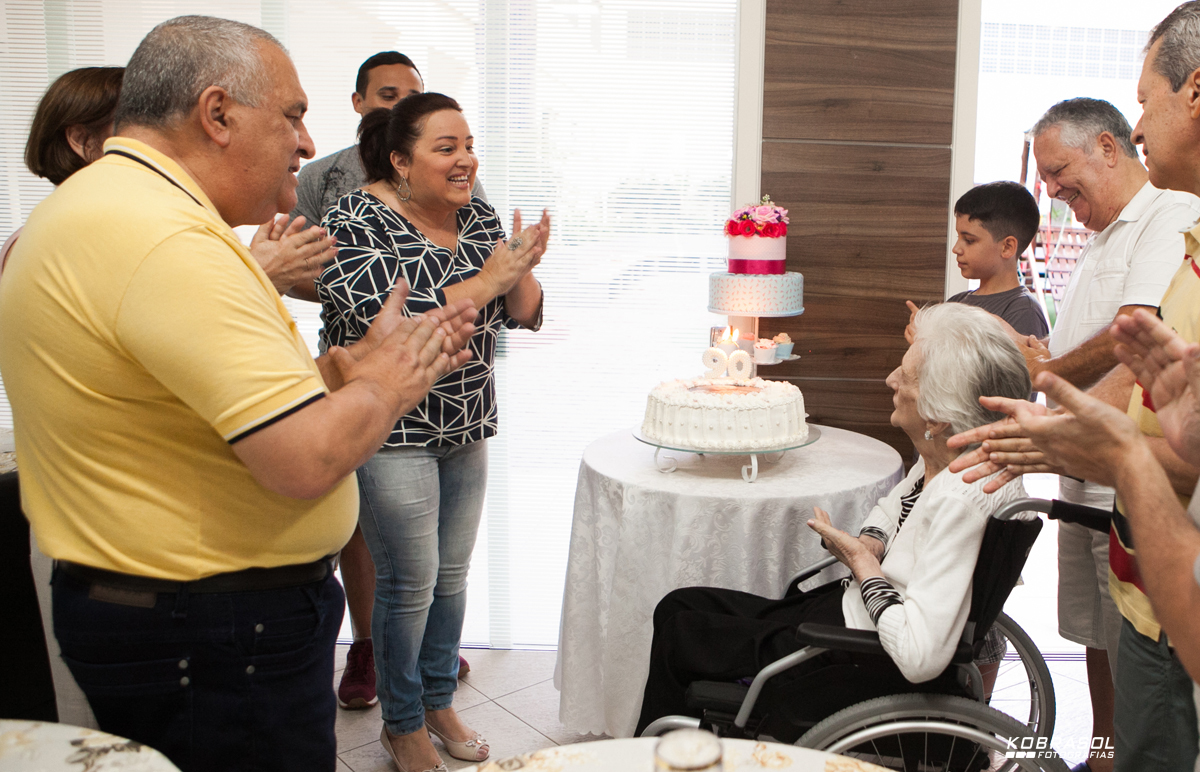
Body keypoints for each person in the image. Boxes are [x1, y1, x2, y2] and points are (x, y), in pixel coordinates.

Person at [0, 16, 478, 772]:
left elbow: (213, 409)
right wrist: (395, 377)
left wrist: (352, 364)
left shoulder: (115, 210)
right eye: (291, 114)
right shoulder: (162, 237)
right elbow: (304, 459)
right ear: (217, 114)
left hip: (185, 617)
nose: (307, 142)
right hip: (212, 630)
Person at [948, 13, 1200, 769]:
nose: (1051, 192)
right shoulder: (1096, 241)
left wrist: (1047, 380)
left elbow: (1132, 338)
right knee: (1098, 629)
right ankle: (1100, 750)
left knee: (1147, 668)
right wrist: (1047, 359)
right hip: (1099, 485)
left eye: (1059, 173)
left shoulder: (1170, 214)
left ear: (1108, 144)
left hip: (1144, 488)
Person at [634, 302, 1034, 739]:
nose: (890, 381)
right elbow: (892, 509)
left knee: (682, 634)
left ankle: (665, 756)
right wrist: (873, 543)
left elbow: (921, 656)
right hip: (849, 612)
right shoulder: (947, 456)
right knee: (678, 604)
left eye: (905, 375)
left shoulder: (962, 497)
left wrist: (863, 564)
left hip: (855, 652)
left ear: (936, 416)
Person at [316, 93, 546, 772]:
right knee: (409, 580)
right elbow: (390, 324)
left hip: (467, 419)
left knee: (450, 577)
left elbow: (524, 311)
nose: (465, 159)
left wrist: (522, 262)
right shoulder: (354, 220)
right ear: (399, 159)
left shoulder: (476, 214)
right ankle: (403, 721)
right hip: (390, 426)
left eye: (468, 144)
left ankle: (440, 699)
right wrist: (489, 277)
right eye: (446, 148)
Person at [290, 53, 485, 710]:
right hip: (373, 391)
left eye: (411, 95)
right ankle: (376, 656)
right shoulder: (328, 182)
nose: (396, 103)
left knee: (439, 573)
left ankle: (428, 682)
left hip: (461, 401)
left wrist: (499, 285)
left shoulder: (462, 191)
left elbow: (503, 293)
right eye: (386, 94)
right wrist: (367, 298)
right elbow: (298, 267)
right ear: (359, 101)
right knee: (391, 560)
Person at [946, 181, 1049, 338]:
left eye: (969, 240)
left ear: (1007, 247)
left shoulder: (1024, 311)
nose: (956, 249)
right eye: (958, 237)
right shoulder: (955, 303)